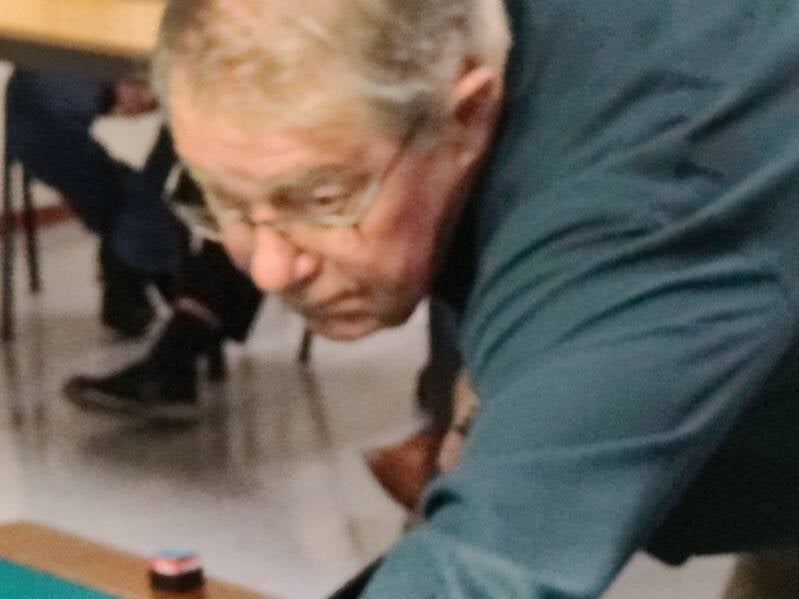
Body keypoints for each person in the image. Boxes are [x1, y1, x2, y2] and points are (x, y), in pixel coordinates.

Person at [152, 1, 799, 597]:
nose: (270, 270)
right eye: (223, 199)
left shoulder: (645, 201)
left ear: (466, 114)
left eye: (323, 198)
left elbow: (482, 572)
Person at [5, 69, 180, 337]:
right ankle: (145, 263)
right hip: (58, 90)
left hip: (42, 102)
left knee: (132, 190)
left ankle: (139, 265)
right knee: (134, 195)